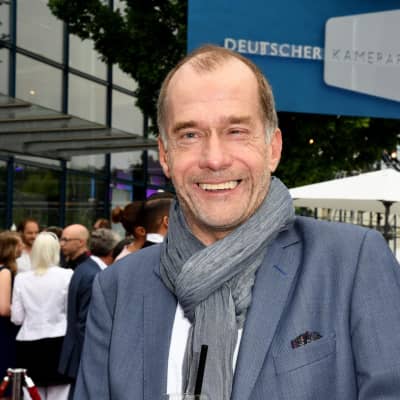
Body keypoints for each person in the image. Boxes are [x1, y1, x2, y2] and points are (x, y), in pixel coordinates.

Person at [75, 45, 400, 400]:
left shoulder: (352, 263)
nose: (214, 159)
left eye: (236, 131)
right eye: (190, 135)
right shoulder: (118, 289)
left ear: (273, 148)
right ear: (165, 156)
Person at [11, 232, 73, 400]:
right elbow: (70, 311)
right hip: (59, 339)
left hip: (29, 340)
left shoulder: (21, 278)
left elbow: (17, 318)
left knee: (31, 393)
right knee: (60, 394)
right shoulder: (67, 275)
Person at [59, 228, 119, 400]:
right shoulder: (93, 274)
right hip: (85, 355)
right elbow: (86, 322)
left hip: (77, 351)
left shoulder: (85, 269)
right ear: (111, 251)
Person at [0, 231, 23, 398]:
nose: (22, 247)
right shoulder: (5, 272)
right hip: (4, 331)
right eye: (19, 244)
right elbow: (3, 308)